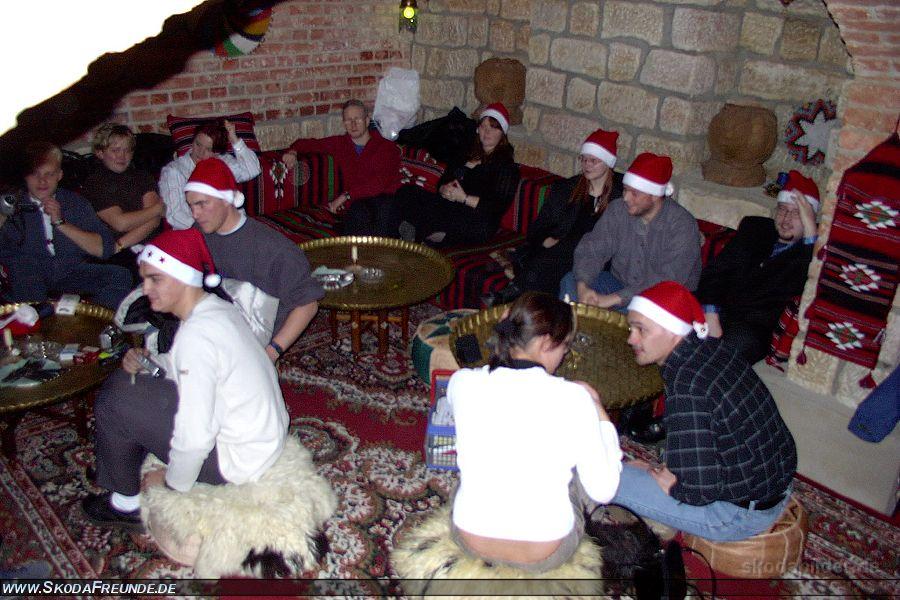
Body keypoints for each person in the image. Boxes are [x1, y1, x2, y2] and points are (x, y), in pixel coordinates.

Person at [81, 228, 290, 531]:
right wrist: (152, 363)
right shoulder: (217, 309)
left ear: (182, 278)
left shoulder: (195, 337)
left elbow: (195, 438)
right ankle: (121, 459)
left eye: (155, 279)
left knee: (115, 398)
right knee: (131, 383)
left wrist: (170, 484)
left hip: (236, 462)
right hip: (263, 440)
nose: (145, 289)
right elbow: (197, 367)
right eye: (144, 279)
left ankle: (126, 504)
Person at [448, 292, 623, 571]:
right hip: (546, 552)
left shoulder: (461, 383)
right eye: (564, 347)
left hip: (471, 539)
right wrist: (599, 411)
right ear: (545, 343)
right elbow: (604, 492)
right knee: (580, 468)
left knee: (477, 464)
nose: (564, 355)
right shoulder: (574, 398)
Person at [614, 280, 797, 542]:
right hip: (773, 483)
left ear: (673, 330)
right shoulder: (713, 347)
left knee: (606, 479)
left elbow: (700, 492)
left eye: (641, 329)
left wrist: (675, 487)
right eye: (631, 328)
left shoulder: (687, 386)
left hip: (737, 515)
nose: (631, 338)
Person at [696, 170, 819, 364]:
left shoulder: (807, 256)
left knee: (724, 354)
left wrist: (811, 234)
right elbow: (717, 271)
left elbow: (805, 282)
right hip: (717, 308)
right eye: (782, 209)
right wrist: (710, 311)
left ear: (809, 219)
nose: (786, 219)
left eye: (796, 213)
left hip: (751, 329)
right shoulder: (755, 228)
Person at [489, 129, 624, 304]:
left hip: (599, 259)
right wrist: (547, 241)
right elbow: (538, 227)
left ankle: (511, 293)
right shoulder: (567, 189)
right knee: (560, 257)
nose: (587, 165)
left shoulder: (621, 196)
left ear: (608, 163)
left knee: (574, 247)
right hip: (560, 253)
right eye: (583, 159)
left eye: (593, 161)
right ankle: (519, 298)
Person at [560, 152, 701, 311]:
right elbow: (593, 249)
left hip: (662, 299)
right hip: (619, 284)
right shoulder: (618, 209)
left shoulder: (683, 225)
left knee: (637, 314)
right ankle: (572, 325)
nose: (626, 197)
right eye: (625, 190)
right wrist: (583, 287)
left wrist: (613, 299)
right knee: (571, 281)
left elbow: (667, 280)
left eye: (635, 193)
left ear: (655, 195)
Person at [0, 142, 130, 309]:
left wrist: (60, 223)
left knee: (120, 276)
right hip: (28, 276)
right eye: (35, 174)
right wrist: (4, 214)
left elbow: (104, 249)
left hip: (68, 271)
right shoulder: (13, 204)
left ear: (59, 175)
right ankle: (41, 317)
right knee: (26, 275)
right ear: (25, 177)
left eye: (49, 174)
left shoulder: (74, 203)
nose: (42, 181)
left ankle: (87, 321)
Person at [393, 103, 519, 248]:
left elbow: (496, 206)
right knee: (407, 193)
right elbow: (445, 179)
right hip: (450, 205)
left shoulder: (506, 167)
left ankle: (422, 234)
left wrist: (464, 198)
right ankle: (420, 235)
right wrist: (443, 189)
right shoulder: (466, 153)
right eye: (483, 126)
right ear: (477, 129)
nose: (487, 132)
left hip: (476, 216)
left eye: (493, 127)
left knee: (450, 216)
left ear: (502, 133)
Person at [282, 99, 401, 236]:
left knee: (381, 210)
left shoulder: (386, 147)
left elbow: (379, 183)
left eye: (357, 119)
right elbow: (307, 144)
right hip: (357, 205)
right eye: (348, 120)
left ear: (367, 121)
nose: (353, 124)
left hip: (383, 200)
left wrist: (346, 196)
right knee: (357, 212)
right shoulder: (340, 144)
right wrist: (293, 151)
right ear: (344, 123)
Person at [80, 123, 164, 282]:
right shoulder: (95, 183)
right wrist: (158, 208)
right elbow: (120, 223)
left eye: (127, 150)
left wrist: (120, 243)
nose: (122, 156)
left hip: (144, 244)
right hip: (115, 253)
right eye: (115, 150)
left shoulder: (143, 177)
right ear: (100, 153)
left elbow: (153, 221)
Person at [159, 120, 260, 230]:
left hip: (232, 225)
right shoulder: (174, 171)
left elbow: (252, 170)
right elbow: (176, 215)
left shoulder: (223, 162)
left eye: (208, 149)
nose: (200, 152)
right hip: (197, 231)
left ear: (217, 153)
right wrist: (210, 227)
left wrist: (234, 139)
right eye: (198, 144)